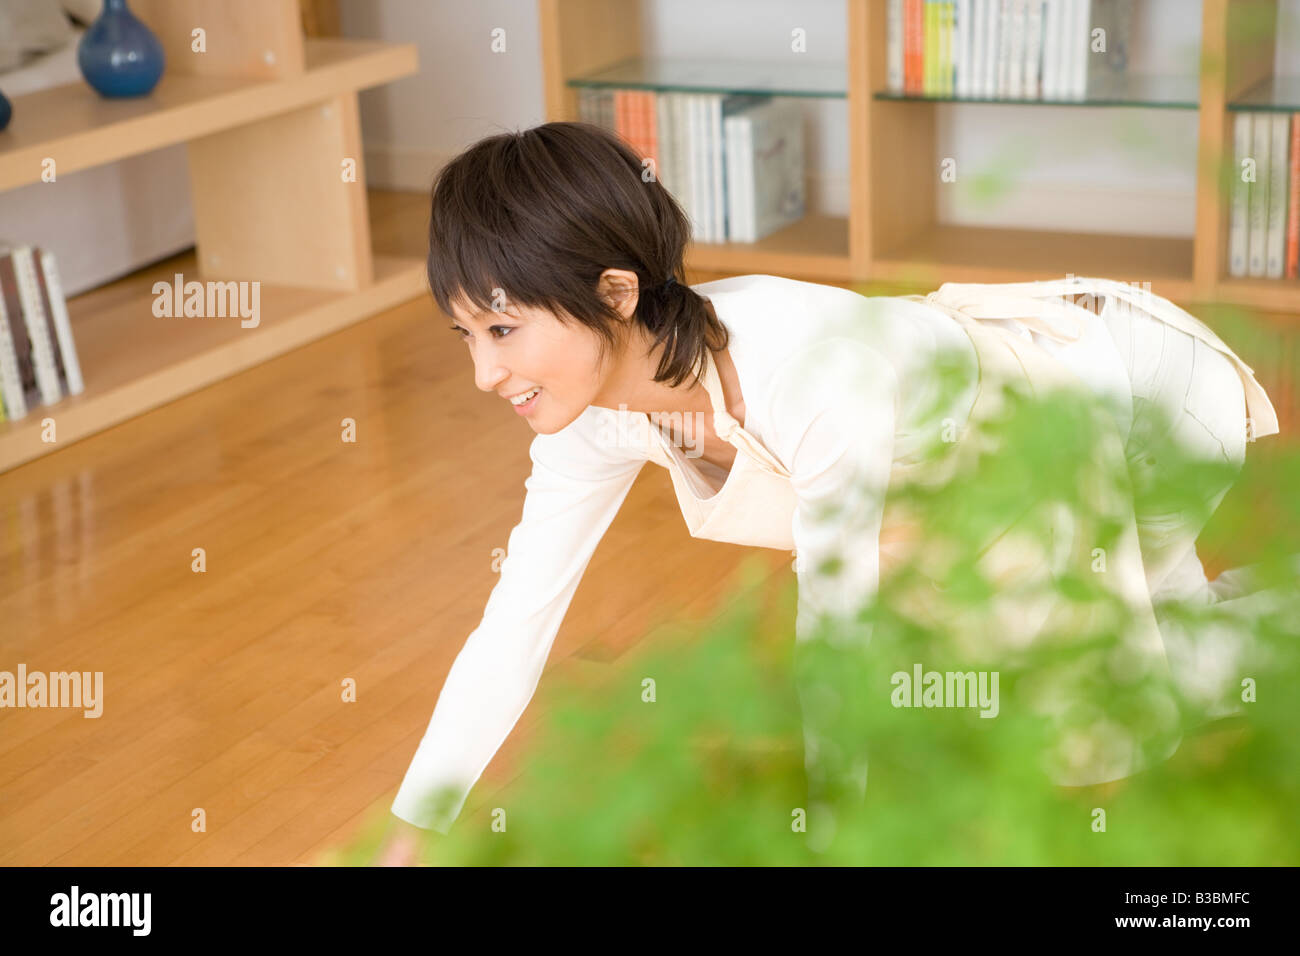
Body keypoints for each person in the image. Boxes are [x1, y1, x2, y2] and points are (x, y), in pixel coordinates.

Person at [374, 122, 1281, 862]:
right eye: (465, 335)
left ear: (615, 293)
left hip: (1137, 396)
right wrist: (408, 839)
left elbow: (840, 635)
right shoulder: (594, 414)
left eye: (503, 327)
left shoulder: (810, 373)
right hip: (995, 474)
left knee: (1119, 705)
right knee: (1140, 662)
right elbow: (514, 625)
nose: (486, 372)